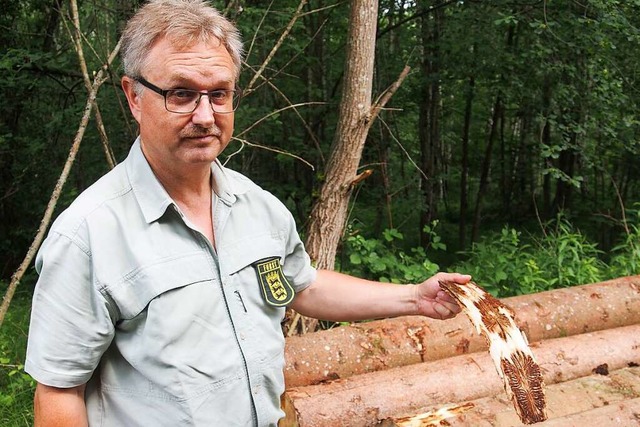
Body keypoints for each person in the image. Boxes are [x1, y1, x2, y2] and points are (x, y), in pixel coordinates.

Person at [25, 1, 471, 426]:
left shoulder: (257, 206)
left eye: (218, 94)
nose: (204, 115)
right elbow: (59, 392)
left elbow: (302, 286)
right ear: (134, 97)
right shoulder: (88, 235)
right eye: (181, 94)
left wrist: (414, 298)